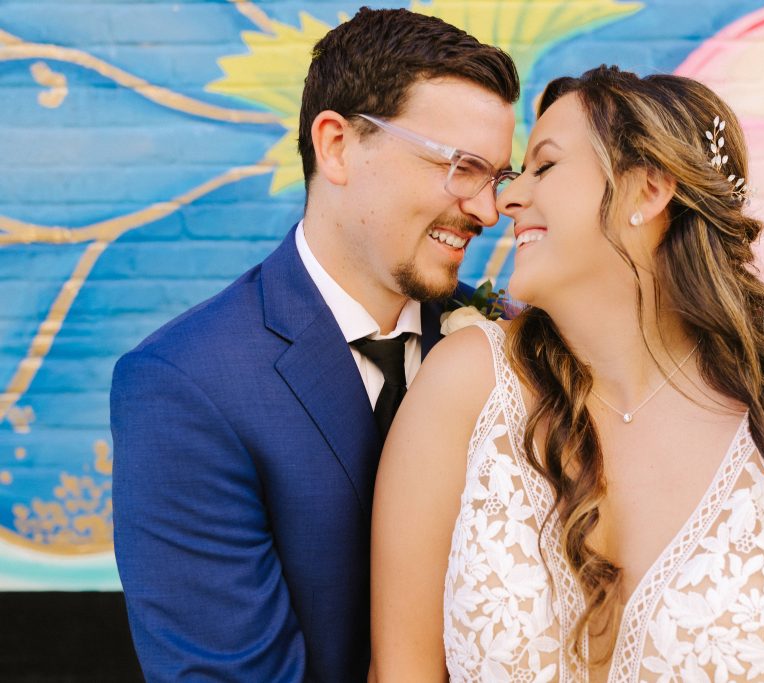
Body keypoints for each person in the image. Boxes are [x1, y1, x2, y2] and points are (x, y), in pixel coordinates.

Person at [370, 66, 764, 682]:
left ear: (649, 189)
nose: (506, 198)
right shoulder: (464, 387)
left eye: (545, 167)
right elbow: (401, 671)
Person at [110, 8, 518, 681]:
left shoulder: (503, 347)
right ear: (335, 145)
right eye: (462, 168)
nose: (487, 211)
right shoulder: (185, 386)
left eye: (498, 177)